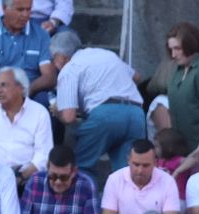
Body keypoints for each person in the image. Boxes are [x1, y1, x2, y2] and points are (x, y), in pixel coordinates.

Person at [48, 30, 145, 177]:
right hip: (136, 113)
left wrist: (57, 111)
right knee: (128, 174)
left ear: (61, 57)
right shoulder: (106, 54)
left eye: (53, 58)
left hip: (106, 116)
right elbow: (137, 77)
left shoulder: (69, 68)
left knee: (81, 168)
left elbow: (69, 117)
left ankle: (88, 200)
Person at [0, 0, 55, 123]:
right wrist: (5, 91)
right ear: (4, 8)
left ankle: (45, 142)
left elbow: (49, 76)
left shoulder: (41, 35)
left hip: (30, 90)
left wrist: (28, 90)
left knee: (45, 100)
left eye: (28, 9)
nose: (25, 15)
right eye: (20, 10)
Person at [97, 138, 180, 214]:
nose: (140, 170)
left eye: (146, 165)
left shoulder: (168, 181)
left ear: (156, 163)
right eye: (136, 164)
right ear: (128, 160)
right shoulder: (114, 179)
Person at [149, 23, 199, 171]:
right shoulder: (176, 71)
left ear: (190, 44)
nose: (173, 55)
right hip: (181, 151)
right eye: (171, 49)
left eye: (178, 49)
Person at [0, 67, 50, 183]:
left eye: (4, 85)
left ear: (20, 88)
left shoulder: (39, 112)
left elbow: (43, 154)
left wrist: (22, 176)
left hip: (27, 180)